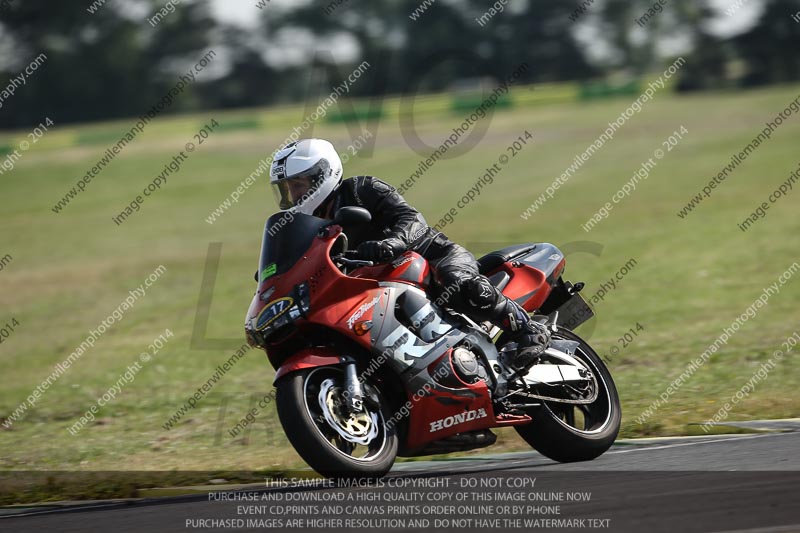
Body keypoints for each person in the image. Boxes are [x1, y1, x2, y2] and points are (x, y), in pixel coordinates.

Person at [269, 138, 550, 372]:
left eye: (298, 184)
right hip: (380, 284)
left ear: (322, 175)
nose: (293, 195)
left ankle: (529, 330)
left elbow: (411, 217)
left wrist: (393, 242)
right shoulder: (313, 227)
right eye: (287, 188)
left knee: (458, 282)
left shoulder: (361, 189)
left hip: (432, 256)